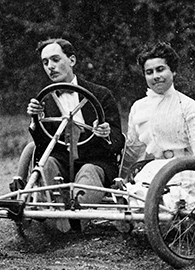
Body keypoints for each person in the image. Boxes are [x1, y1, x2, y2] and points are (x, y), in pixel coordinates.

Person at [26, 38, 125, 230]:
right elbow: (43, 145)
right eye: (45, 63)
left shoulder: (101, 94)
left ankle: (74, 221)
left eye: (55, 59)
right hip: (61, 160)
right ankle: (43, 214)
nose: (50, 67)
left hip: (95, 160)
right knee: (46, 165)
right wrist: (35, 120)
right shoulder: (45, 98)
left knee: (88, 172)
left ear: (72, 60)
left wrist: (105, 132)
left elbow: (117, 139)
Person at [121, 41, 195, 211]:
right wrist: (122, 175)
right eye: (149, 72)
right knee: (136, 195)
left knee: (169, 202)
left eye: (160, 70)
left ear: (172, 71)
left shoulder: (189, 107)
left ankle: (165, 209)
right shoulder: (139, 107)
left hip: (185, 169)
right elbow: (133, 148)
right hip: (154, 169)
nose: (155, 76)